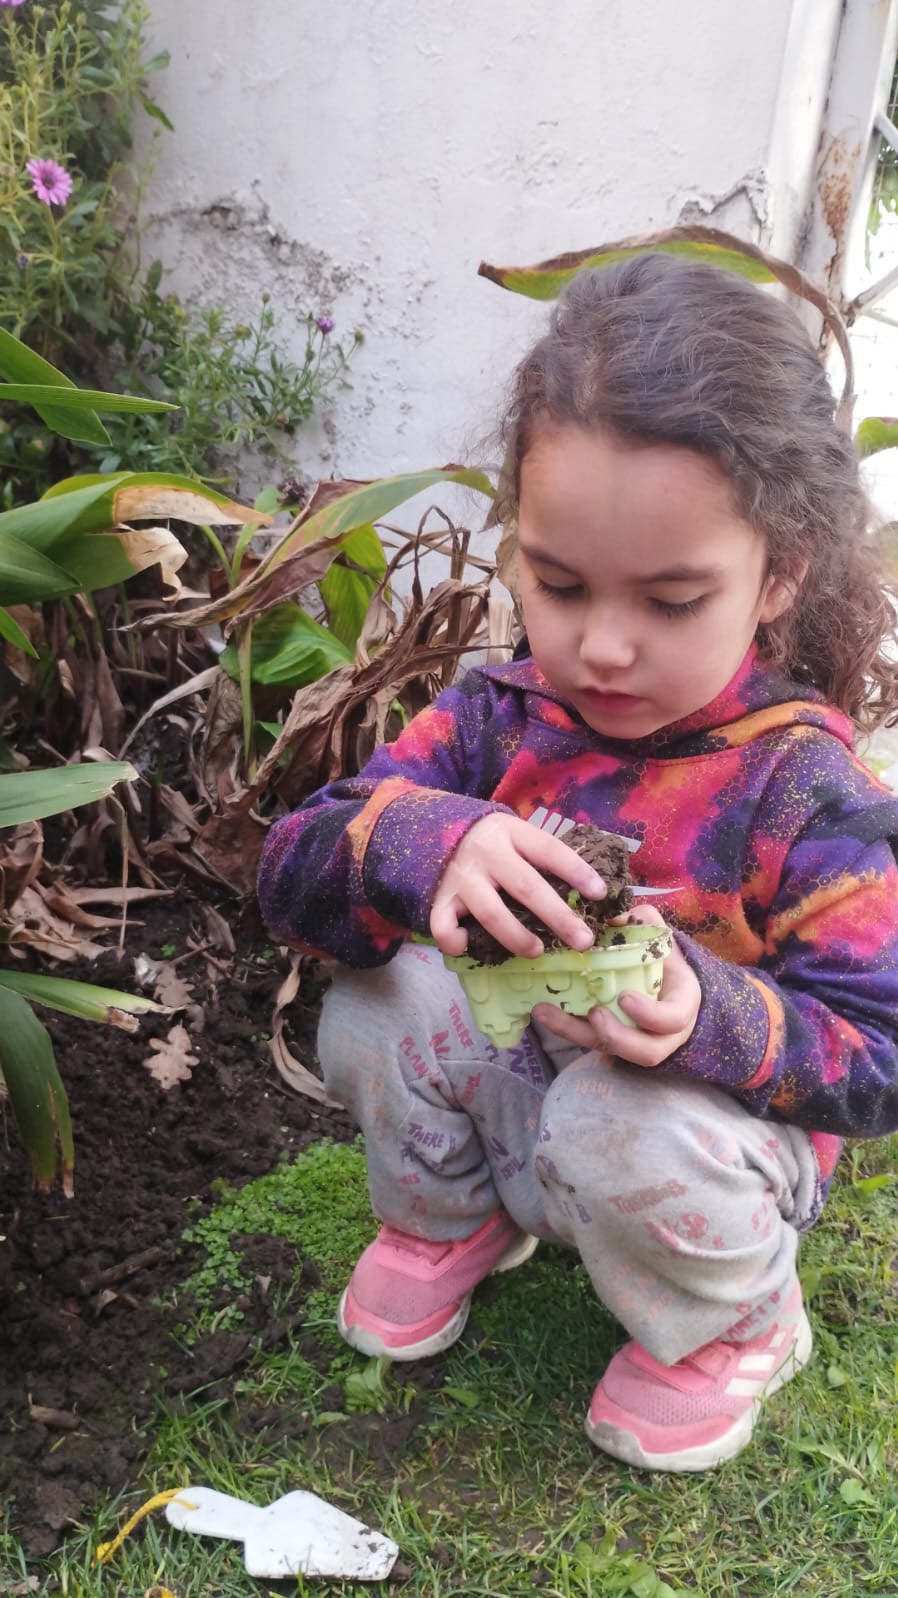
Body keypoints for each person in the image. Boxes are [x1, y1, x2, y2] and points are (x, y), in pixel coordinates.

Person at [257, 254, 898, 1473]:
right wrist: (422, 838)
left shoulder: (800, 791)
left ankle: (735, 1317)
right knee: (378, 998)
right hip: (524, 1097)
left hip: (699, 1137)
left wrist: (711, 1015)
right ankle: (456, 1214)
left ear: (781, 574)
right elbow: (290, 875)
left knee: (616, 1117)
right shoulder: (500, 718)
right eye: (558, 584)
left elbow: (881, 1056)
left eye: (670, 600)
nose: (600, 647)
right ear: (520, 548)